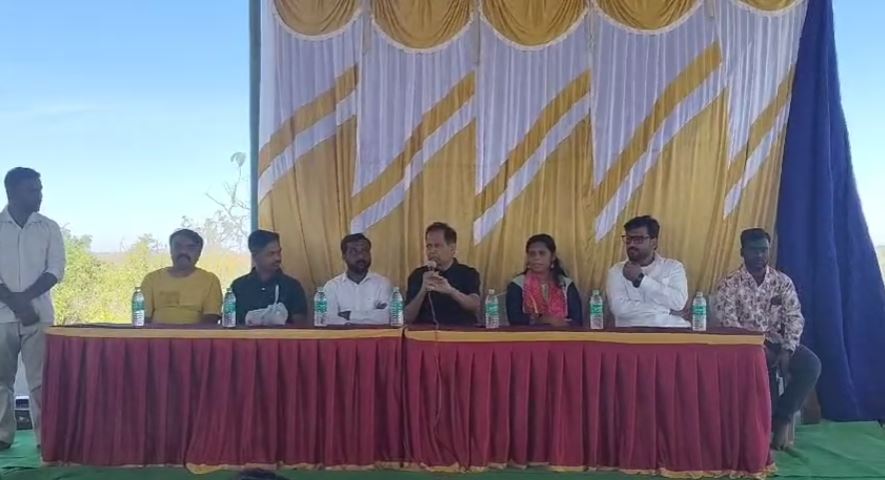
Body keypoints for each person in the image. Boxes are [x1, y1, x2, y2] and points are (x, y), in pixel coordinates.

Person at [714, 228, 821, 450]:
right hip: (745, 347)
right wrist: (759, 347)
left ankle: (782, 418)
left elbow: (794, 317)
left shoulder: (781, 281)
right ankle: (762, 431)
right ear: (742, 252)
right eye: (753, 250)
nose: (760, 255)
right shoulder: (729, 284)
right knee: (764, 373)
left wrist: (788, 349)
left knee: (811, 365)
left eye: (764, 250)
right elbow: (730, 325)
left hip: (778, 342)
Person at [0, 167, 65, 450]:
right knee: (1, 379)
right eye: (32, 190)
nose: (39, 195)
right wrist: (15, 302)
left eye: (40, 189)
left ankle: (45, 439)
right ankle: (2, 436)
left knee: (41, 381)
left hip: (38, 316)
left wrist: (25, 300)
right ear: (11, 192)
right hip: (1, 317)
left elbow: (56, 269)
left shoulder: (49, 227)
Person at [606, 215, 688, 328]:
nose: (631, 244)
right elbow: (619, 308)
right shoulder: (617, 271)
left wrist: (641, 280)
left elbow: (678, 303)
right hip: (630, 334)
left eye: (638, 239)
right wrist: (662, 309)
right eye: (628, 239)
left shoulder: (673, 267)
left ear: (653, 243)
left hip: (670, 331)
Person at [141, 229, 223, 324]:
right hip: (156, 333)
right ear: (171, 250)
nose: (183, 251)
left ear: (199, 253)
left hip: (196, 333)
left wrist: (187, 332)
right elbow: (143, 318)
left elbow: (211, 318)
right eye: (178, 246)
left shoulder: (210, 280)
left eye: (190, 248)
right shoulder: (152, 279)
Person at [404, 222, 480, 326]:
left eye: (437, 246)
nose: (432, 251)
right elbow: (407, 317)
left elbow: (475, 306)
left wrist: (451, 291)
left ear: (452, 249)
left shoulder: (468, 273)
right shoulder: (418, 275)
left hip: (460, 331)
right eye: (429, 246)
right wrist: (423, 290)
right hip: (425, 332)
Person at [231, 230, 307, 325]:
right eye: (271, 254)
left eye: (279, 252)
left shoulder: (292, 286)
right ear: (255, 256)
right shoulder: (239, 287)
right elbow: (231, 323)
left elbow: (300, 326)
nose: (278, 258)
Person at [506, 234, 582, 327]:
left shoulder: (565, 284)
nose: (536, 258)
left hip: (562, 334)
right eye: (532, 254)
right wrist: (543, 320)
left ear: (552, 257)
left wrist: (559, 323)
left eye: (542, 253)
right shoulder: (518, 284)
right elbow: (514, 319)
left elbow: (577, 321)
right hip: (527, 335)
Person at [322, 233, 393, 325]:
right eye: (354, 252)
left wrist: (349, 315)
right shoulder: (332, 286)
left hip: (377, 335)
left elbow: (387, 317)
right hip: (344, 335)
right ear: (344, 256)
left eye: (365, 251)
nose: (361, 256)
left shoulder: (383, 283)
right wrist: (373, 315)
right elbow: (329, 320)